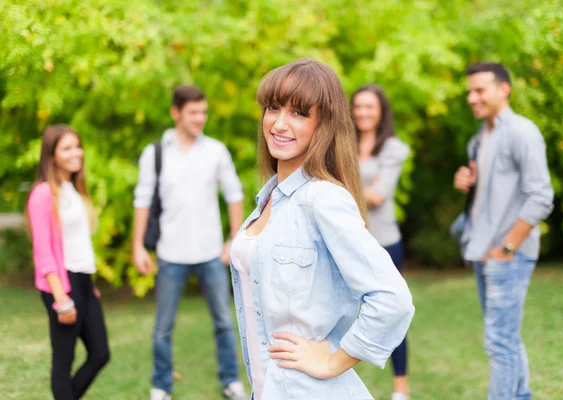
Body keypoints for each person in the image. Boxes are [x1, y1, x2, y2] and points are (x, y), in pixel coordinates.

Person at [228, 58, 415, 399]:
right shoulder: (269, 197)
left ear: (323, 125)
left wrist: (333, 362)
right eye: (273, 107)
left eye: (299, 113)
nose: (279, 123)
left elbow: (393, 299)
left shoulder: (323, 199)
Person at [132, 85, 248, 400]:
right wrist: (137, 246)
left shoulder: (216, 151)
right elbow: (142, 201)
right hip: (170, 253)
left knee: (225, 322)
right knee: (163, 328)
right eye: (193, 112)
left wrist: (233, 238)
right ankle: (161, 386)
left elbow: (235, 194)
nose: (200, 118)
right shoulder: (154, 153)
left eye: (203, 112)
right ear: (176, 113)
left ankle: (231, 380)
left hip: (211, 252)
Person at [452, 62, 554, 400]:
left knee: (499, 342)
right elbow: (491, 194)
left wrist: (507, 247)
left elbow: (541, 197)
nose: (472, 97)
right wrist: (465, 181)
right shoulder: (479, 138)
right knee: (506, 338)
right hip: (483, 250)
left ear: (504, 89)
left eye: (479, 90)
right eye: (469, 91)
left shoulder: (523, 132)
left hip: (507, 253)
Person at [27, 124, 110, 399]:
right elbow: (43, 251)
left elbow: (77, 244)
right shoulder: (43, 194)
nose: (76, 153)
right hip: (62, 285)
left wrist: (89, 284)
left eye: (77, 146)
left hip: (84, 281)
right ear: (51, 156)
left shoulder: (73, 190)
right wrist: (62, 299)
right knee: (63, 362)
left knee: (100, 353)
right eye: (67, 148)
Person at [351, 84, 411, 400]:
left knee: (393, 312)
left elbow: (378, 196)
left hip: (385, 241)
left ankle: (401, 388)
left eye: (369, 107)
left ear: (381, 111)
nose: (362, 112)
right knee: (341, 313)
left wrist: (343, 187)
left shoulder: (394, 148)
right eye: (358, 106)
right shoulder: (344, 144)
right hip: (348, 242)